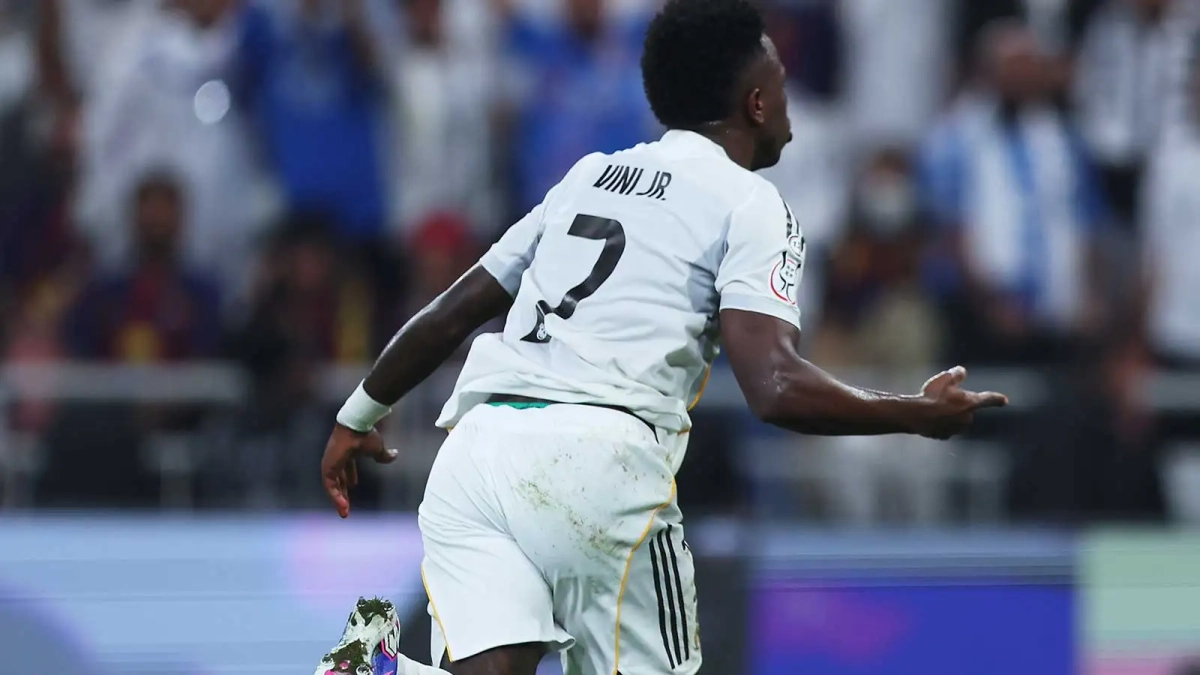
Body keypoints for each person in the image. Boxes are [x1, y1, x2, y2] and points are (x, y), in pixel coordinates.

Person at [315, 2, 1007, 675]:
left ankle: (375, 670)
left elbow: (453, 311)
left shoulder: (588, 176)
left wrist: (356, 416)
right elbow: (774, 387)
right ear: (756, 103)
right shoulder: (751, 204)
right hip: (601, 463)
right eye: (780, 86)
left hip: (479, 451)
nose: (788, 106)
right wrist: (914, 412)